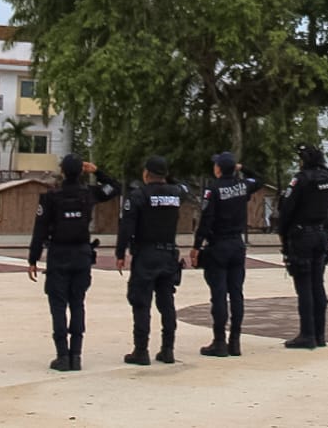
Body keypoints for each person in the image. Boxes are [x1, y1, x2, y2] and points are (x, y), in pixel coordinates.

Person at [28, 154, 120, 371]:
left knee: (58, 305)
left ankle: (62, 355)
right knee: (77, 303)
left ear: (61, 171)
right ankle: (76, 355)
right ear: (81, 172)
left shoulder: (51, 198)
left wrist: (33, 259)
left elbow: (39, 230)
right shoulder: (89, 194)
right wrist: (97, 171)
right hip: (81, 254)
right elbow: (114, 187)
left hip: (58, 254)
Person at [115, 155, 189, 366]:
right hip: (168, 255)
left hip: (146, 255)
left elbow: (126, 227)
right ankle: (168, 349)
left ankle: (141, 350)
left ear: (146, 173)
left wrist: (120, 254)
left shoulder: (138, 196)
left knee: (141, 303)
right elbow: (184, 189)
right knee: (167, 303)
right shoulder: (175, 193)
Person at [191, 150, 261, 358]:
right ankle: (235, 341)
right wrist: (242, 168)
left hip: (218, 246)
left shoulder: (213, 190)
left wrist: (196, 245)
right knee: (236, 294)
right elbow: (259, 179)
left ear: (219, 169)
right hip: (237, 245)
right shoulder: (242, 186)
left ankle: (219, 341)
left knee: (219, 295)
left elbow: (206, 220)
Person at [276, 143, 328, 350]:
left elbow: (287, 209)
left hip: (302, 235)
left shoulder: (301, 179)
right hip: (320, 234)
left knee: (304, 287)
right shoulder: (327, 178)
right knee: (317, 284)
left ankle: (307, 334)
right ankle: (320, 334)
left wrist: (282, 234)